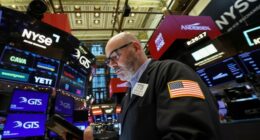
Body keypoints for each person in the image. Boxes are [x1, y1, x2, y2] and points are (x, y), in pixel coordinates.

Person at [84, 32, 222, 140]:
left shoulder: (171, 72)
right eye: (108, 61)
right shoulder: (129, 94)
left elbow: (191, 133)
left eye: (115, 56)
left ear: (136, 47)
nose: (112, 65)